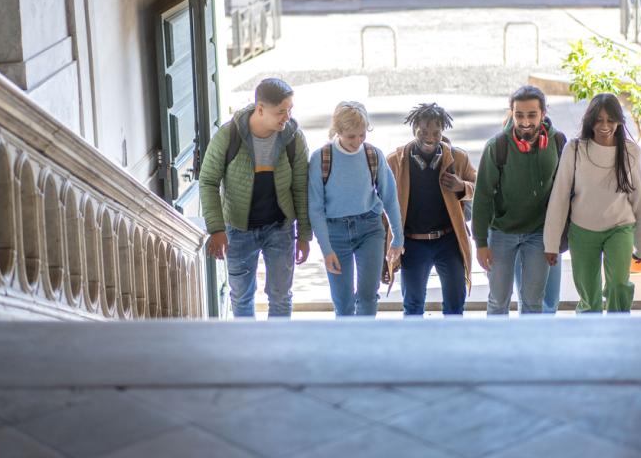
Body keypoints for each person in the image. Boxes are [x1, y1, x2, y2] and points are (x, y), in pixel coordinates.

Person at [198, 78, 311, 318]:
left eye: (290, 110)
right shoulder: (229, 136)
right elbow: (208, 181)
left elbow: (301, 187)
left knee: (281, 297)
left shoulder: (294, 138)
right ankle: (246, 351)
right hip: (238, 231)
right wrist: (216, 229)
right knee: (241, 297)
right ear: (260, 108)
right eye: (281, 111)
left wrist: (304, 234)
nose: (287, 117)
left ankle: (278, 352)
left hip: (280, 229)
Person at [544, 93, 641, 313]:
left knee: (618, 286)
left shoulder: (631, 152)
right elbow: (560, 197)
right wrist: (551, 243)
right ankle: (591, 340)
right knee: (589, 297)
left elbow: (639, 200)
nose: (605, 126)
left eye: (611, 120)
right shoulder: (575, 149)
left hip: (619, 228)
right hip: (582, 232)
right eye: (599, 120)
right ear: (590, 121)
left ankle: (618, 335)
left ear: (619, 122)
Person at [472, 86, 567, 315]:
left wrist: (560, 235)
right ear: (512, 113)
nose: (525, 122)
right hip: (503, 232)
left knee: (534, 302)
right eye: (519, 115)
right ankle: (498, 350)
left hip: (539, 233)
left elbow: (566, 190)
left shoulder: (558, 142)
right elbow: (482, 196)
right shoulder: (497, 147)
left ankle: (528, 349)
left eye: (532, 115)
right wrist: (481, 242)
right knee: (498, 300)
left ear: (543, 113)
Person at [308, 102, 403, 317]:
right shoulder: (321, 158)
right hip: (335, 233)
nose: (357, 141)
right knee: (343, 301)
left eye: (362, 135)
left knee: (368, 295)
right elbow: (315, 208)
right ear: (338, 131)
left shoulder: (373, 155)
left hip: (369, 228)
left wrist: (398, 237)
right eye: (351, 136)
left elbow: (389, 197)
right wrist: (326, 249)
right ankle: (346, 346)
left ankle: (364, 346)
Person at [387, 103, 476, 316]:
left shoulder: (458, 158)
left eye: (436, 132)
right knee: (413, 305)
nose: (430, 137)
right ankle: (415, 348)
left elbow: (479, 189)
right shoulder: (395, 161)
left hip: (448, 241)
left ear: (443, 131)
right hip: (413, 243)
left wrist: (461, 186)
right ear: (413, 129)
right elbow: (384, 205)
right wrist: (389, 248)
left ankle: (452, 346)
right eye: (423, 131)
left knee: (455, 304)